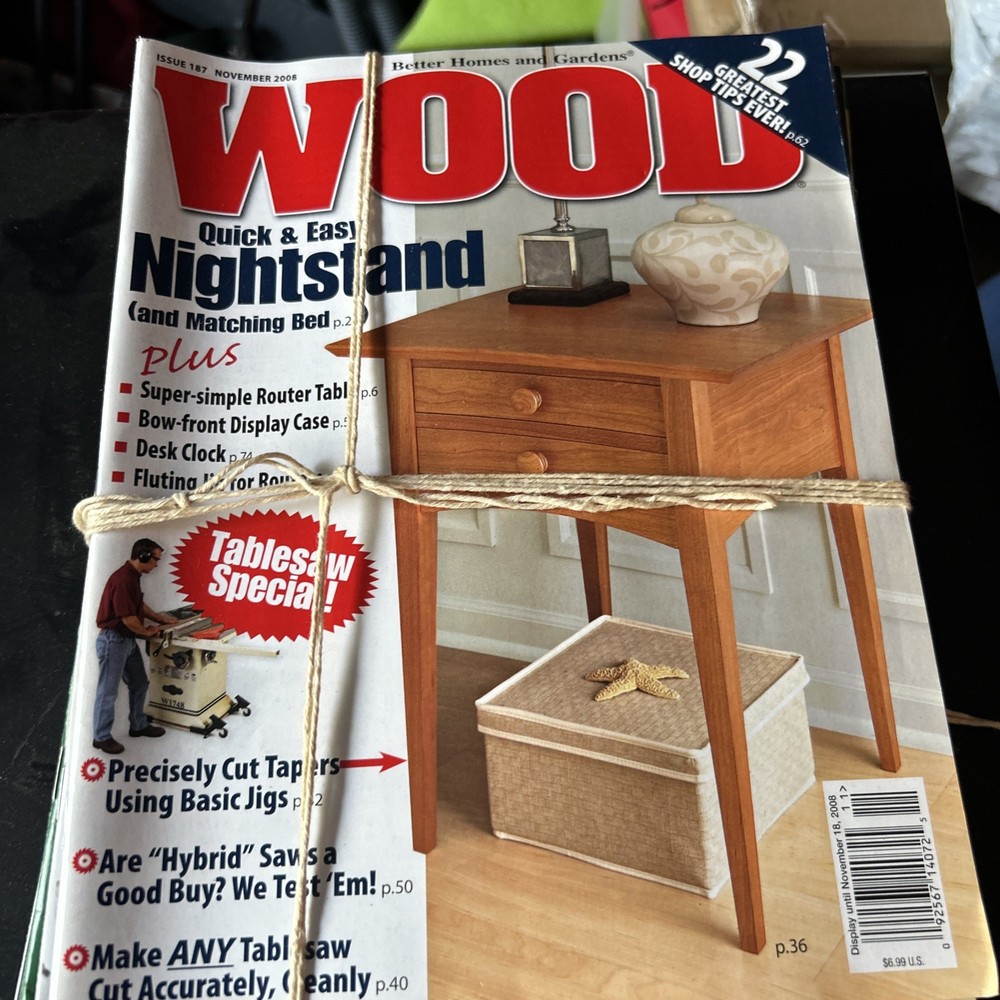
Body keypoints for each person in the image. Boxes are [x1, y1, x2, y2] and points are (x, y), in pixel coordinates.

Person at [92, 539, 179, 754]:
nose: (157, 565)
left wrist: (161, 619)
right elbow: (128, 618)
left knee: (139, 682)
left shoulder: (132, 577)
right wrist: (147, 632)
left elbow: (139, 606)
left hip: (126, 640)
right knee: (108, 691)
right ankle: (101, 737)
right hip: (114, 641)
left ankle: (138, 725)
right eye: (156, 560)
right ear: (143, 556)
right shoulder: (123, 579)